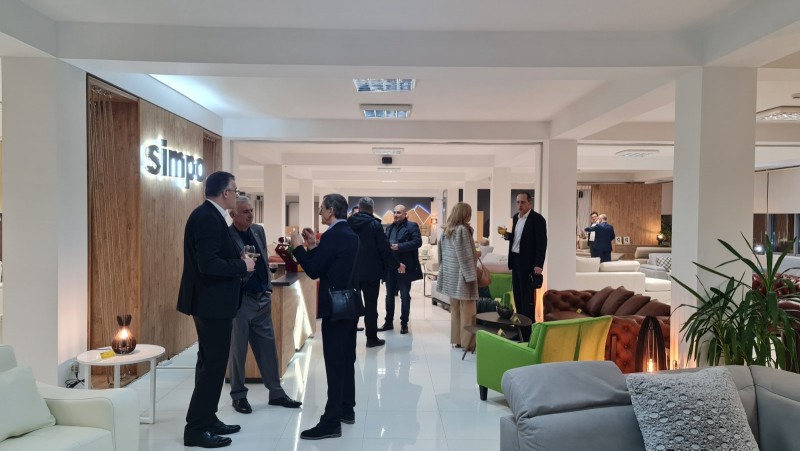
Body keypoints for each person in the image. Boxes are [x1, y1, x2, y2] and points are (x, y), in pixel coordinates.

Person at [176, 171, 255, 449]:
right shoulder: (207, 218)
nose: (237, 195)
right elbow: (207, 264)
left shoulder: (209, 216)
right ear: (225, 193)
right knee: (212, 367)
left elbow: (213, 257)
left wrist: (237, 260)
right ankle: (196, 429)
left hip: (213, 303)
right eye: (236, 190)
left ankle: (207, 418)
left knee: (210, 364)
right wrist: (242, 265)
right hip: (211, 304)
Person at [291, 193, 361, 440]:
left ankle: (331, 421)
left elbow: (313, 270)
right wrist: (313, 246)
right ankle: (346, 409)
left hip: (335, 307)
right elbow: (330, 264)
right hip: (351, 305)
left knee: (334, 362)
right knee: (346, 359)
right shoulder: (350, 234)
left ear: (331, 210)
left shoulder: (333, 235)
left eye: (321, 208)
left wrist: (298, 247)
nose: (320, 212)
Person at [227, 196, 302, 414]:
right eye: (245, 212)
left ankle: (276, 393)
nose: (250, 215)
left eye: (251, 210)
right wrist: (241, 264)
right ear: (232, 215)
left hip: (262, 298)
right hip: (241, 300)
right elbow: (226, 268)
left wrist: (267, 287)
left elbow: (265, 259)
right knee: (238, 351)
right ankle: (238, 396)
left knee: (268, 349)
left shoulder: (258, 230)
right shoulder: (226, 236)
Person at [347, 197, 402, 348]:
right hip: (371, 273)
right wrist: (396, 265)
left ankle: (349, 339)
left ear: (359, 208)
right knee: (371, 306)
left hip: (351, 273)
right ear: (372, 209)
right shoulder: (375, 225)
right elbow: (384, 249)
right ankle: (371, 339)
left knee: (352, 306)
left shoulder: (348, 223)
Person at [502, 192, 547, 342]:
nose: (519, 205)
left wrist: (539, 264)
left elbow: (542, 243)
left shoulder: (538, 219)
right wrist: (507, 236)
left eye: (522, 202)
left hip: (528, 264)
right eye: (517, 202)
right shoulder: (515, 218)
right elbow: (516, 238)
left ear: (529, 203)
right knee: (518, 298)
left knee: (527, 300)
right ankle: (519, 331)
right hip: (515, 260)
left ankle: (528, 335)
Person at [436, 202, 479, 348]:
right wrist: (471, 276)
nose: (470, 216)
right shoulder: (462, 230)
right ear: (463, 214)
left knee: (455, 310)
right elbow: (465, 256)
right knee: (468, 311)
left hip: (451, 275)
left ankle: (457, 339)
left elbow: (441, 255)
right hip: (463, 276)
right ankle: (469, 343)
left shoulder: (447, 230)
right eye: (469, 213)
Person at [379, 204, 423, 334]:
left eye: (399, 212)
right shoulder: (389, 228)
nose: (396, 215)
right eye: (394, 212)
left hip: (405, 267)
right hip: (390, 267)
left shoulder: (412, 226)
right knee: (389, 296)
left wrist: (399, 246)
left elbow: (418, 242)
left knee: (404, 296)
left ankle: (404, 324)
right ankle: (388, 323)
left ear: (405, 214)